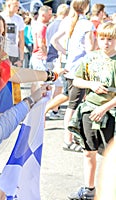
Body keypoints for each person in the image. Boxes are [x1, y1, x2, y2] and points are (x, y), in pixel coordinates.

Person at [67, 21, 116, 200]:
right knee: (89, 152)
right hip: (90, 111)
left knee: (111, 156)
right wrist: (91, 84)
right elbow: (76, 80)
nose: (106, 43)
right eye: (102, 38)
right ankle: (89, 189)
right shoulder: (90, 58)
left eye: (110, 39)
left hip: (112, 114)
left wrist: (105, 107)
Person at [51, 0, 95, 153]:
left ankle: (73, 136)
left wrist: (67, 53)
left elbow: (54, 41)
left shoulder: (67, 21)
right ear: (86, 6)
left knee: (73, 101)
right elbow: (90, 49)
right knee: (74, 105)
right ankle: (68, 139)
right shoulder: (87, 24)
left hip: (70, 68)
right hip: (81, 70)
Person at [45, 4, 70, 120]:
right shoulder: (63, 24)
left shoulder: (50, 25)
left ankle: (52, 109)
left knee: (53, 85)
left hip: (50, 57)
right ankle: (53, 111)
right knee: (59, 87)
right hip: (57, 58)